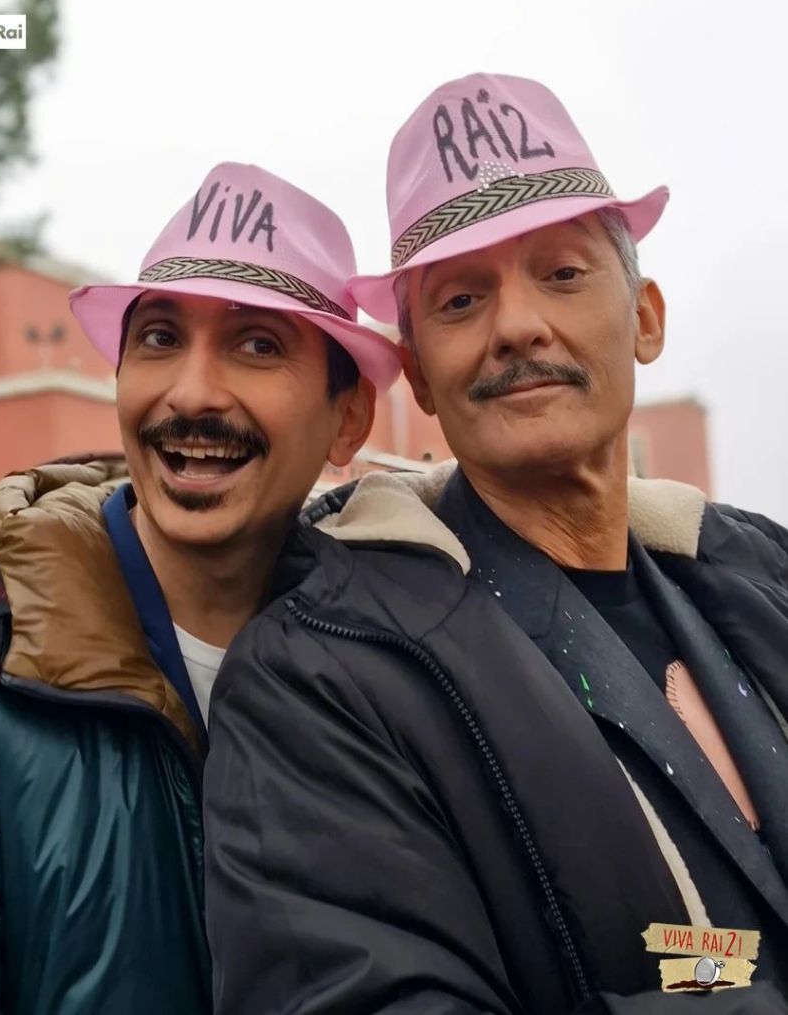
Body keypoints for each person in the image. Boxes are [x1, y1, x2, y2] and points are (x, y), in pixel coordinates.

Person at [204, 78, 788, 1013]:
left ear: (645, 317)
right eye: (461, 298)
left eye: (561, 274)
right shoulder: (318, 682)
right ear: (418, 376)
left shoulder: (759, 581)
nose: (515, 326)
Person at [0, 161, 398, 1015]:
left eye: (258, 344)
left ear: (347, 418)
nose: (192, 392)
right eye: (160, 338)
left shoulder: (402, 664)